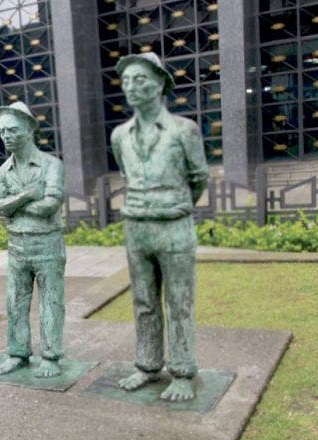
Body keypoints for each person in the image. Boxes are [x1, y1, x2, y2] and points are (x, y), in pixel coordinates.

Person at [110, 52, 209, 401]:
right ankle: (148, 365)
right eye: (126, 81)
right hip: (136, 228)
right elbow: (127, 174)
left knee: (179, 301)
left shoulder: (184, 130)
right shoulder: (120, 135)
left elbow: (199, 178)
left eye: (141, 79)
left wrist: (172, 206)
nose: (132, 87)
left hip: (174, 227)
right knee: (143, 301)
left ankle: (181, 372)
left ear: (160, 84)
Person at [0, 102, 67, 378]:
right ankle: (18, 353)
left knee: (51, 301)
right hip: (17, 246)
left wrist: (16, 205)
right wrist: (26, 196)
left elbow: (50, 206)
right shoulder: (3, 172)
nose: (6, 136)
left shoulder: (51, 165)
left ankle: (51, 356)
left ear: (29, 130)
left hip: (46, 243)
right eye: (1, 131)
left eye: (12, 130)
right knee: (15, 302)